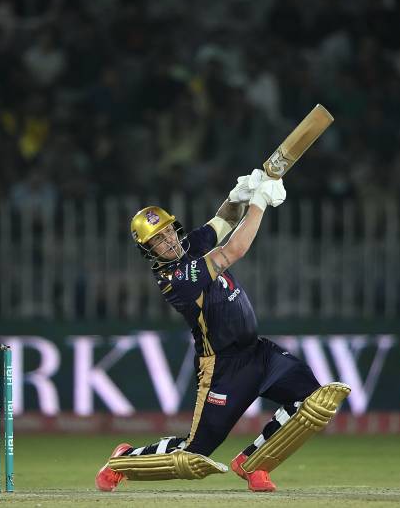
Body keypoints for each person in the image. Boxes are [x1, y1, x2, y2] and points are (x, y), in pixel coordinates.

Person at [95, 170, 350, 493]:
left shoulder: (189, 245)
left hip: (258, 352)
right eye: (157, 240)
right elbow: (233, 250)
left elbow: (223, 222)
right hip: (223, 368)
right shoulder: (176, 279)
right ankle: (124, 459)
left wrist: (238, 195)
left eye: (168, 231)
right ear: (149, 250)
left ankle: (254, 463)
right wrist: (258, 204)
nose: (168, 241)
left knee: (311, 401)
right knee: (194, 453)